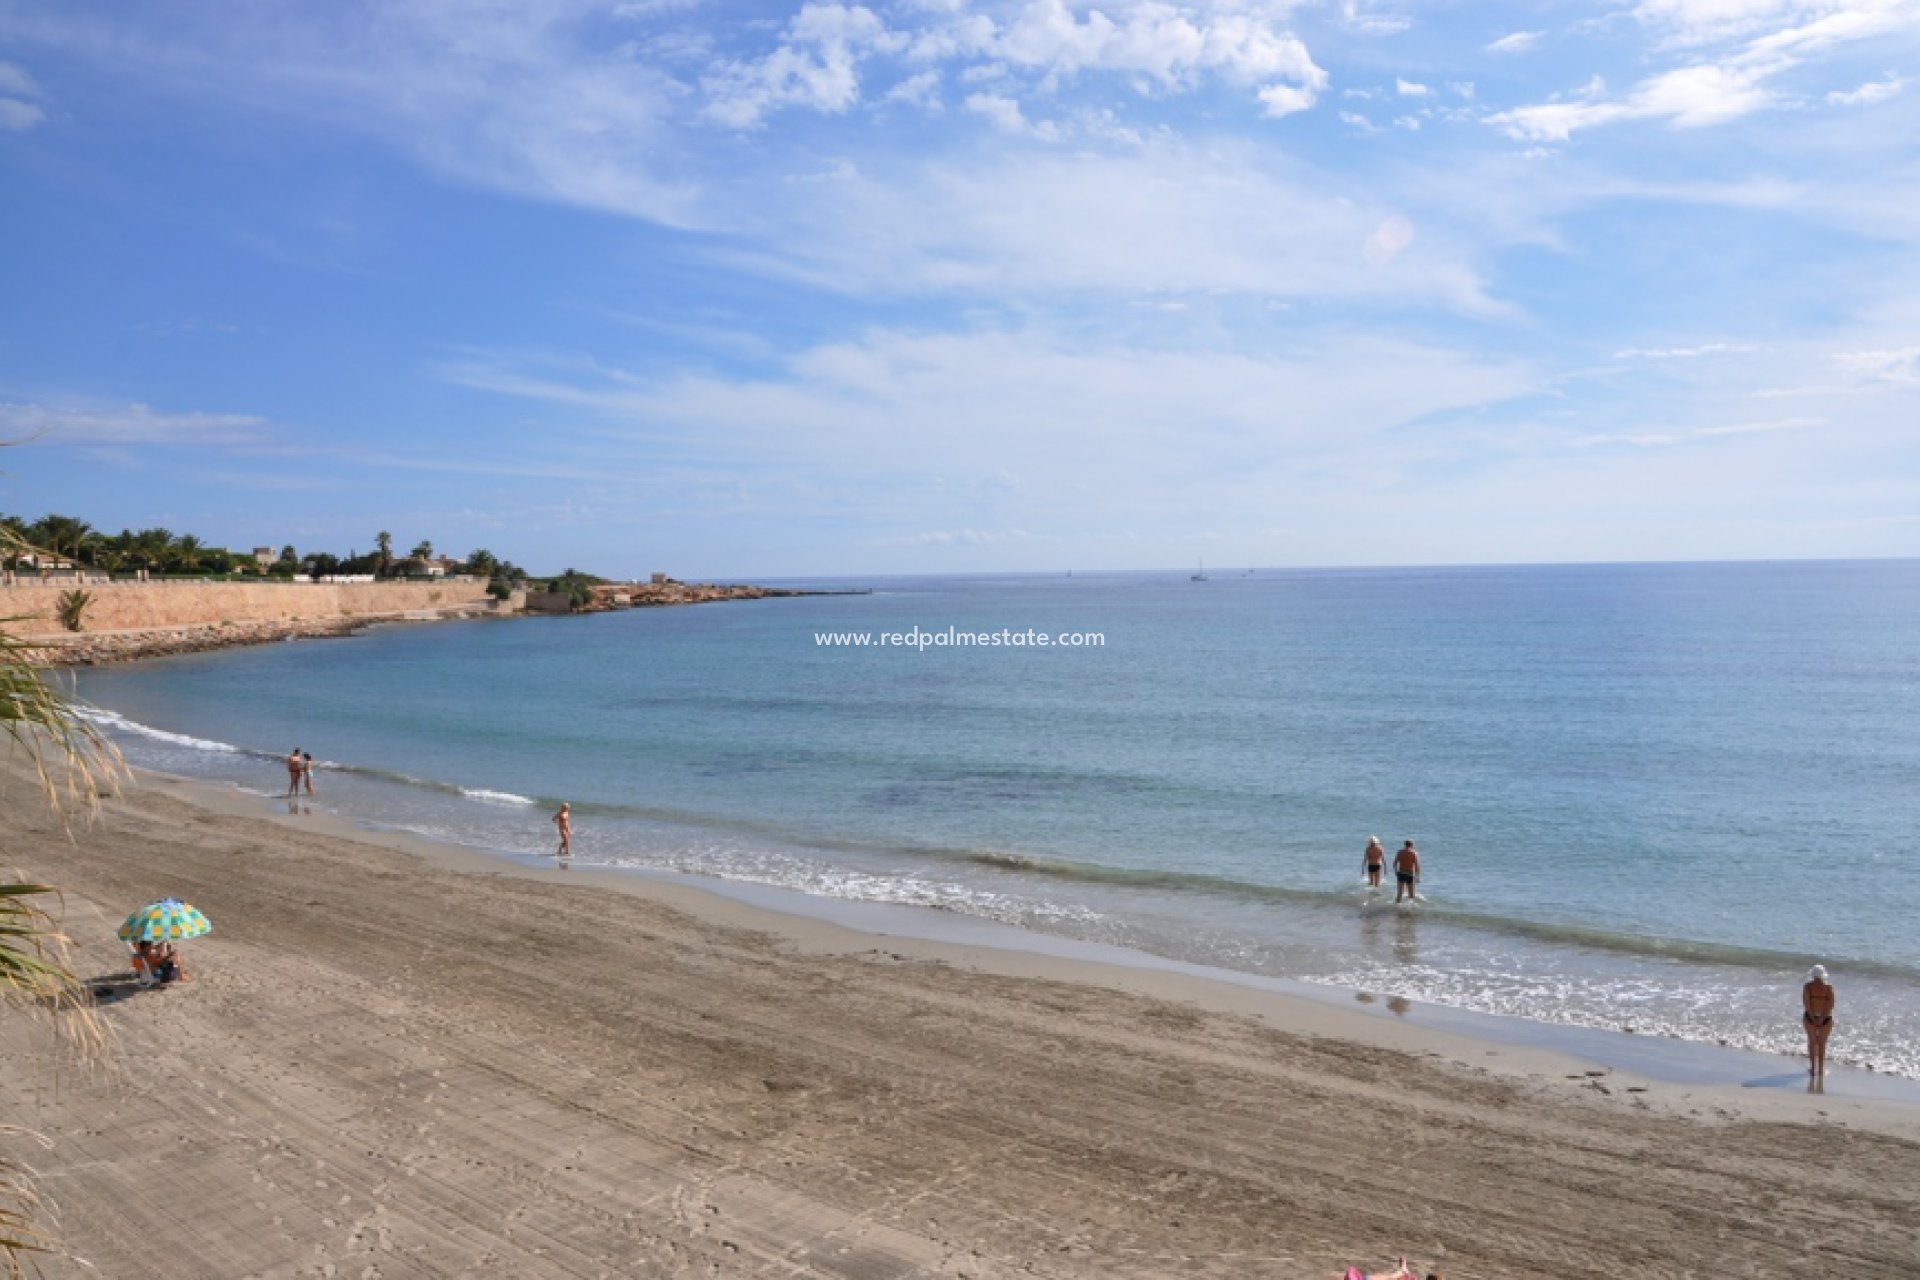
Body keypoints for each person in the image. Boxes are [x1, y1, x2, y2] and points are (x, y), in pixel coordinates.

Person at [1802, 964, 1835, 1078]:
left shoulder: (1807, 987)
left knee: (1812, 1043)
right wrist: (1822, 1018)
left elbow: (1806, 1004)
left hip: (1810, 1018)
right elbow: (1831, 1005)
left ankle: (1812, 1069)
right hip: (1825, 1018)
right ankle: (1821, 1069)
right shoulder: (1829, 987)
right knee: (1822, 1044)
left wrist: (1812, 1018)